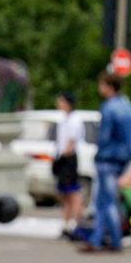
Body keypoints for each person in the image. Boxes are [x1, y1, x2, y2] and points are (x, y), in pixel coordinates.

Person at [89, 71, 131, 253]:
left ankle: (113, 239)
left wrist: (98, 154)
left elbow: (104, 136)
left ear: (109, 87)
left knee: (106, 201)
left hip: (108, 158)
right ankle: (97, 238)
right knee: (106, 200)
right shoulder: (130, 107)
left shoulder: (108, 108)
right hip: (123, 159)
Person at [53, 92, 88, 237]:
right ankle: (66, 222)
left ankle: (75, 221)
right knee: (64, 193)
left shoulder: (74, 120)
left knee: (73, 192)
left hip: (68, 159)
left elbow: (71, 141)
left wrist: (62, 157)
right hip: (62, 157)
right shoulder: (64, 119)